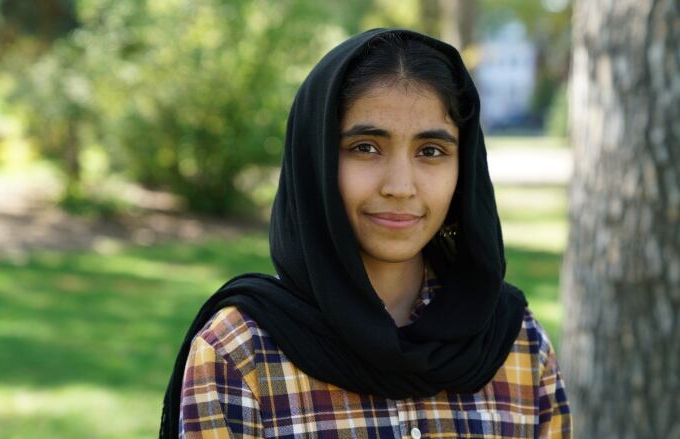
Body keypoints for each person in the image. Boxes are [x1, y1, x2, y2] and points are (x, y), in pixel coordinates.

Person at [159, 28, 572, 438]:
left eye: (431, 151)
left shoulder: (518, 346)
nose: (399, 186)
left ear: (464, 172)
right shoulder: (239, 353)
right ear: (315, 162)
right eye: (366, 147)